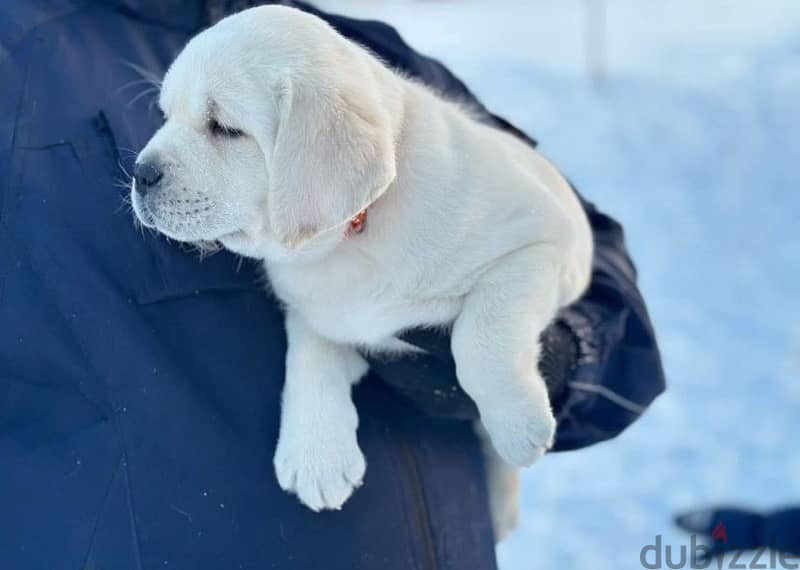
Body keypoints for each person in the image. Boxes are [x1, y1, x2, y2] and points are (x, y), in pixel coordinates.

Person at [0, 1, 666, 568]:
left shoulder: (361, 58)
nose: (151, 160)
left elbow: (586, 252)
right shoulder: (21, 57)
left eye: (224, 129)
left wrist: (548, 353)